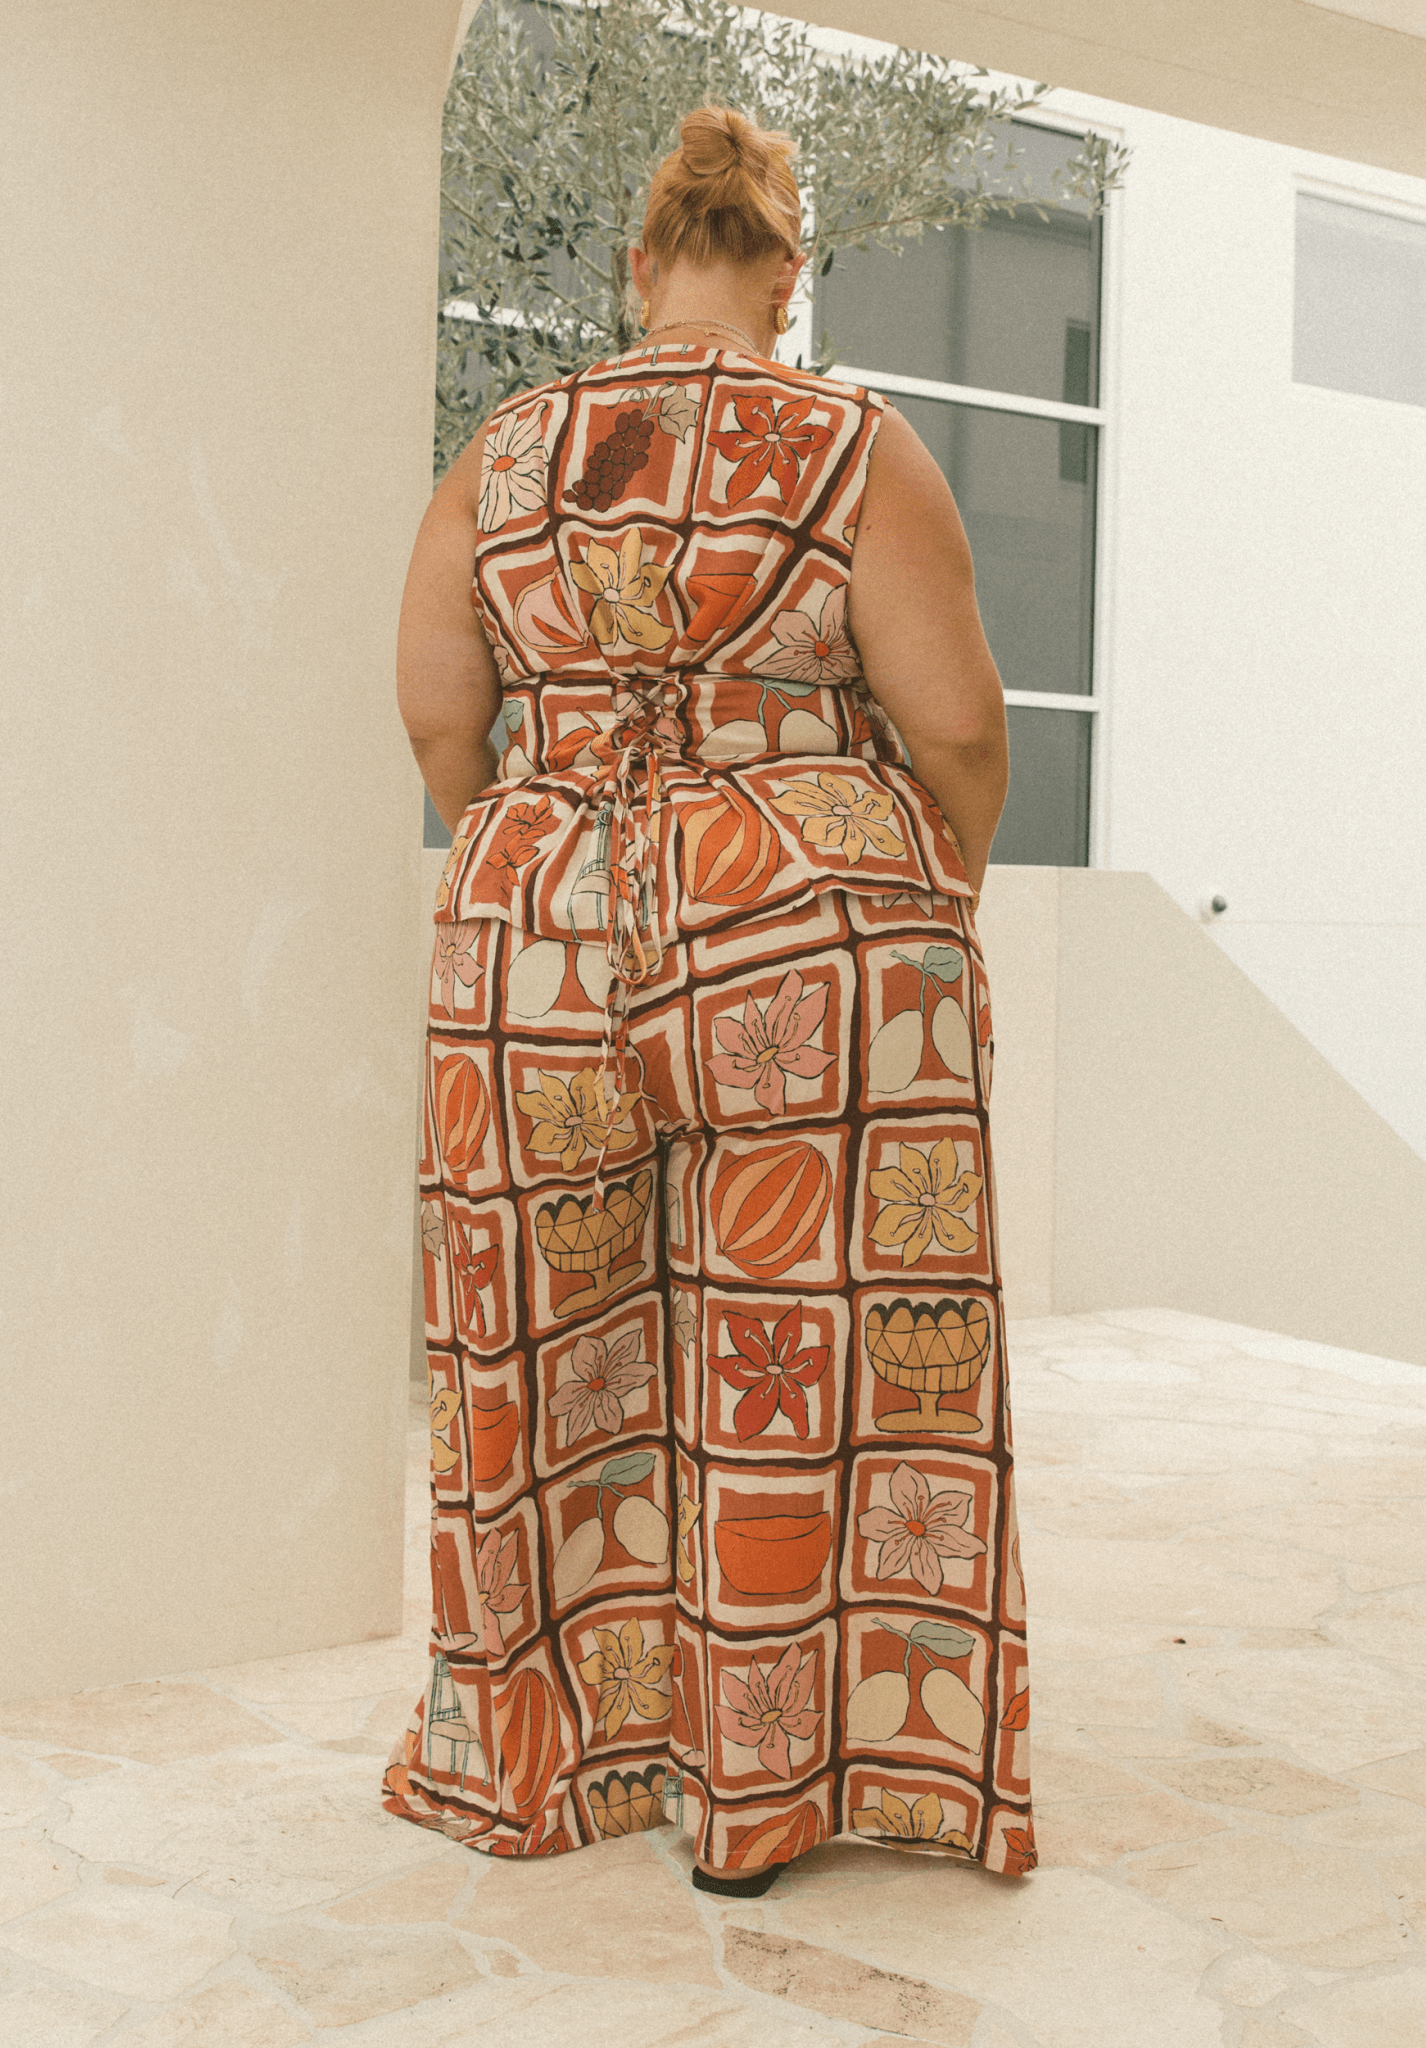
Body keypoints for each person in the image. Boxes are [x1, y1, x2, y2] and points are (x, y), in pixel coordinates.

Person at [383, 103, 1035, 1897]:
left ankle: (557, 1762)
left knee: (542, 1349)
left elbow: (436, 711)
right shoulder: (851, 443)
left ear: (638, 264)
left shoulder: (507, 449)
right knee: (805, 1348)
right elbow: (960, 728)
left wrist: (542, 845)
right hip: (798, 923)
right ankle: (771, 1788)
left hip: (537, 929)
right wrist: (922, 895)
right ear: (786, 272)